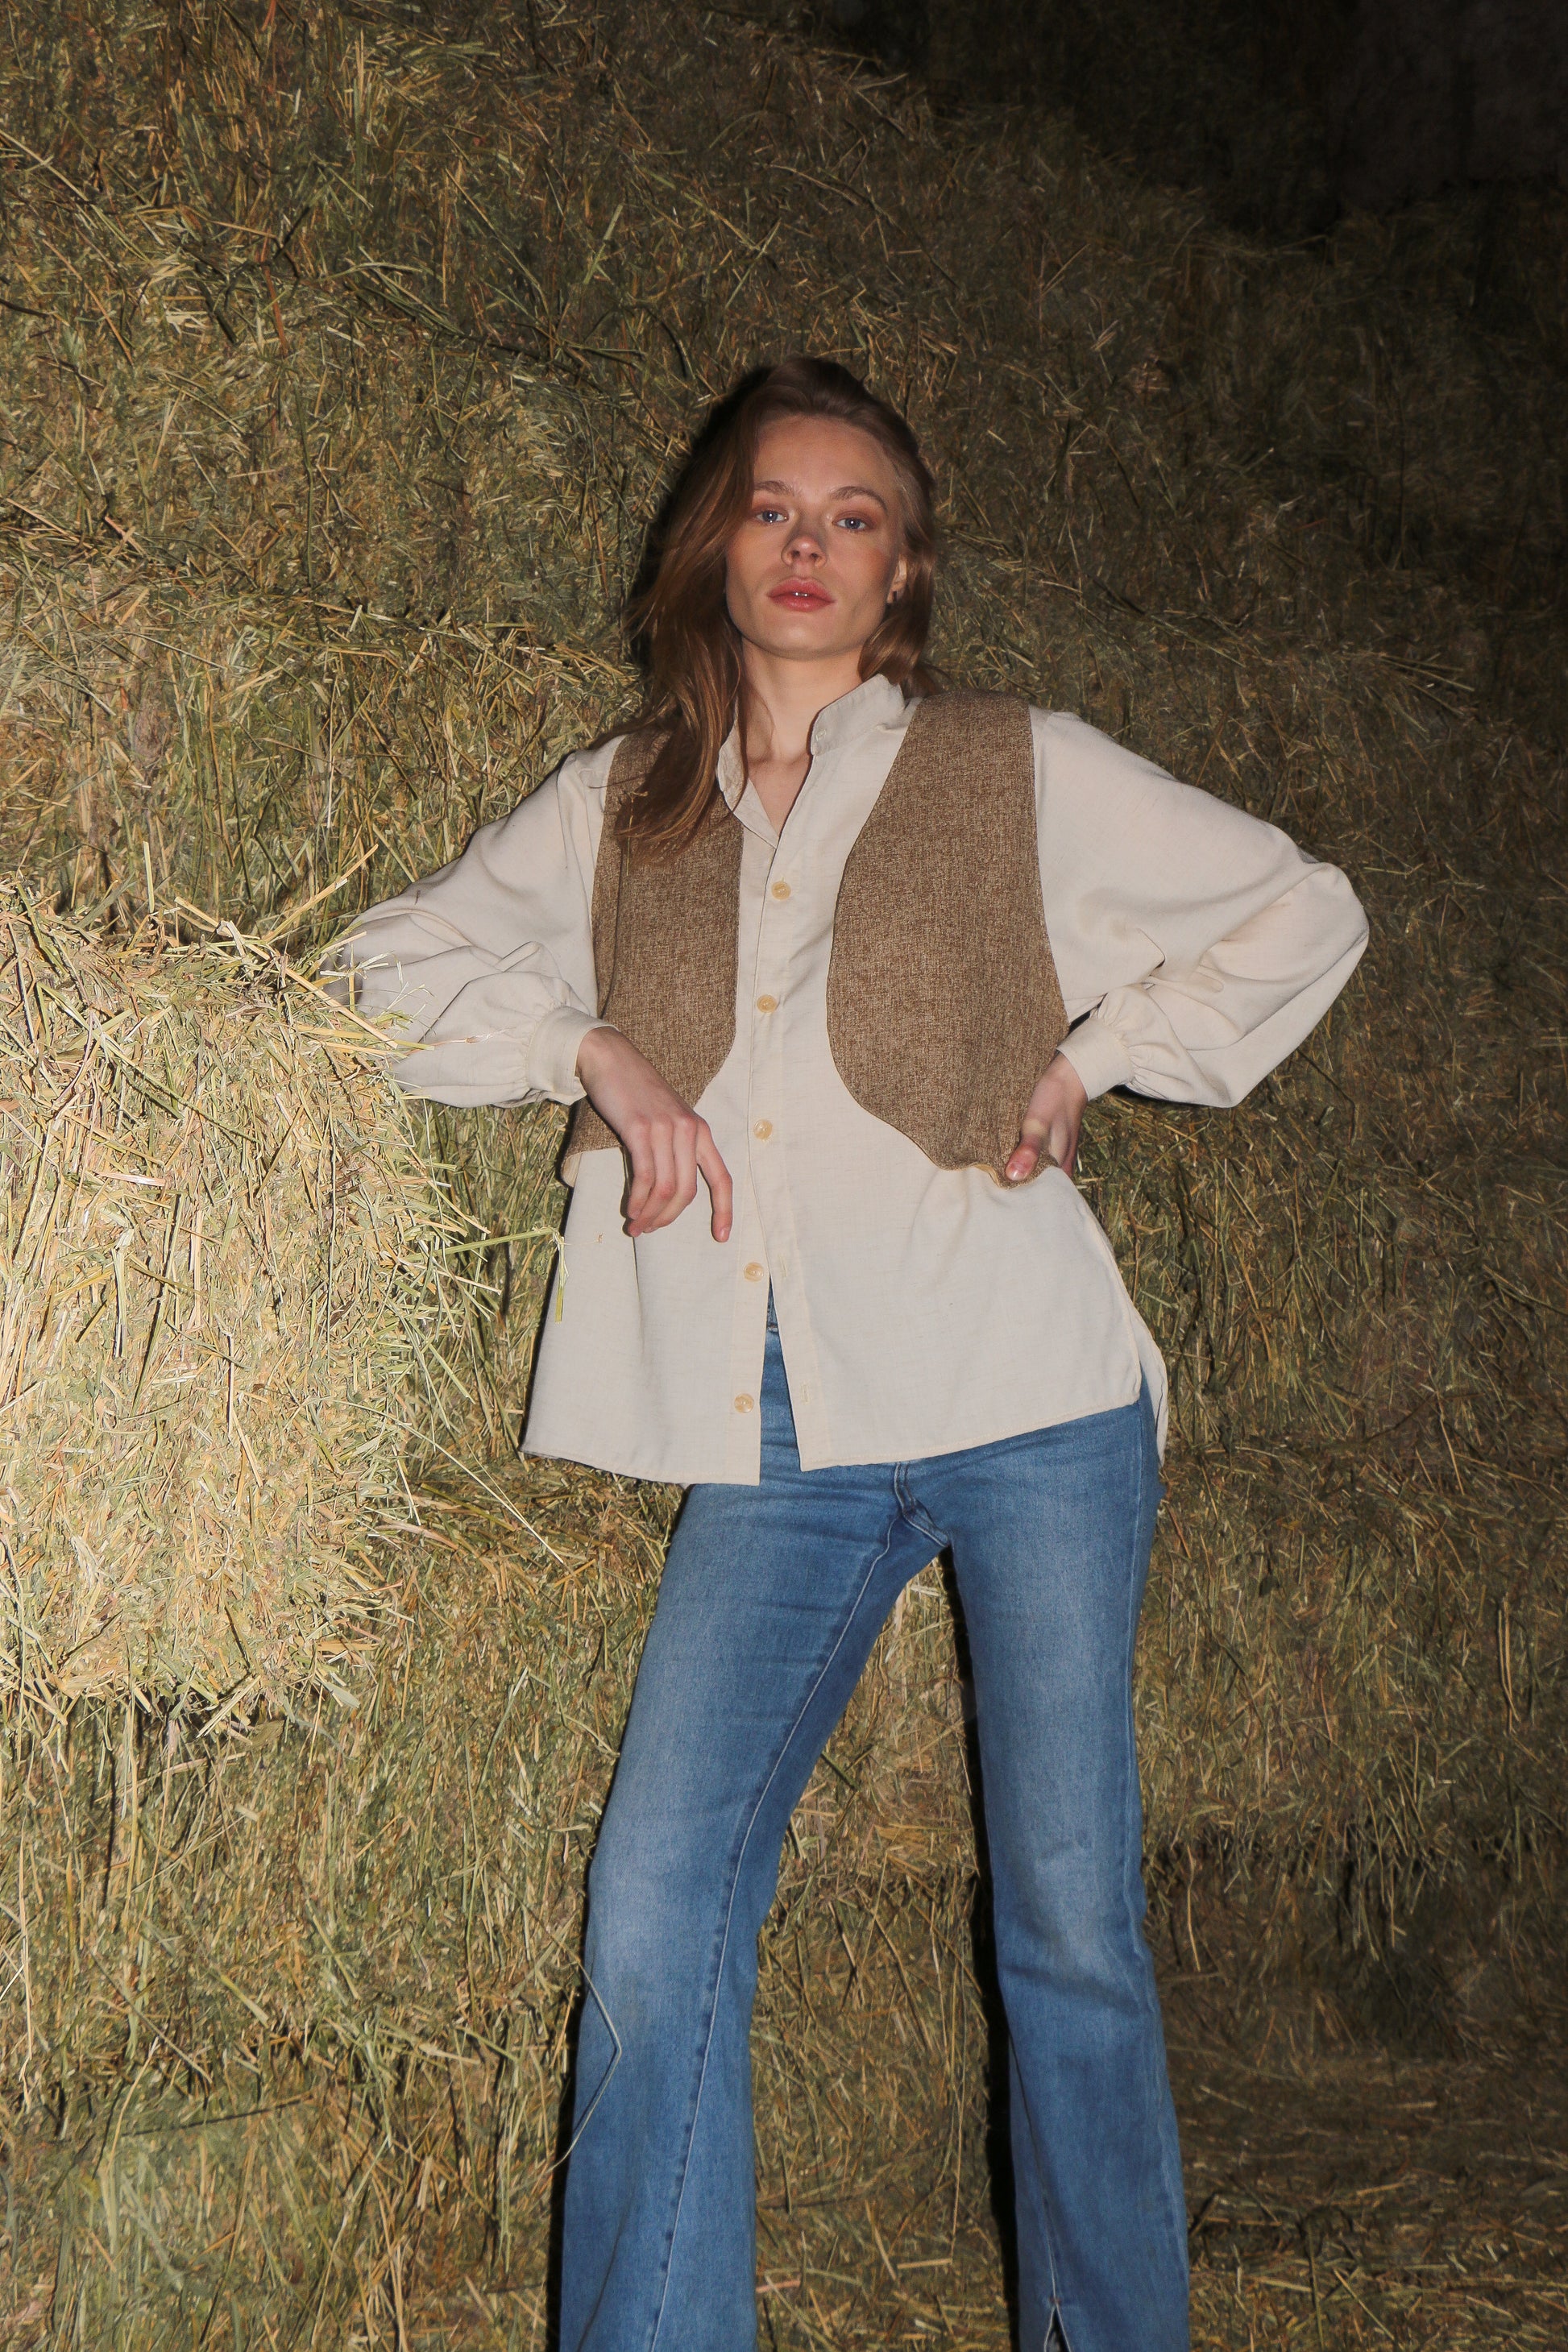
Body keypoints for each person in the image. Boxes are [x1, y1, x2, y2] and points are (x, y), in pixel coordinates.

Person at [327, 356, 1367, 2352]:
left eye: (854, 516)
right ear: (713, 547)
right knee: (656, 1906)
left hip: (1030, 1393)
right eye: (772, 507)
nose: (808, 545)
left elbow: (1298, 906)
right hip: (777, 1423)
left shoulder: (1013, 762)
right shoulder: (621, 802)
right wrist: (590, 1049)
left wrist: (1095, 1057)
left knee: (1065, 1921)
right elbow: (378, 965)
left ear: (900, 574)